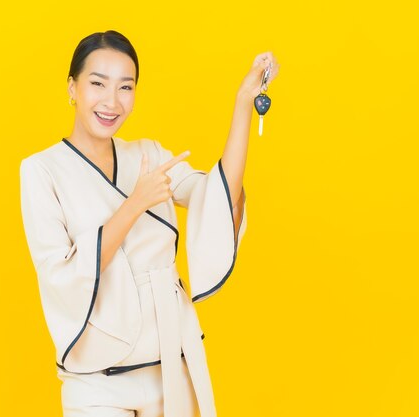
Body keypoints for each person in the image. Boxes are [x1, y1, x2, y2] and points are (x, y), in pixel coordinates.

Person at [20, 30, 279, 417]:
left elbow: (219, 196)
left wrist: (243, 103)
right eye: (97, 84)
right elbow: (61, 277)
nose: (112, 101)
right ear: (72, 88)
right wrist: (136, 203)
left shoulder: (149, 154)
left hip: (171, 369)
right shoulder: (41, 170)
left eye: (126, 87)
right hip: (96, 382)